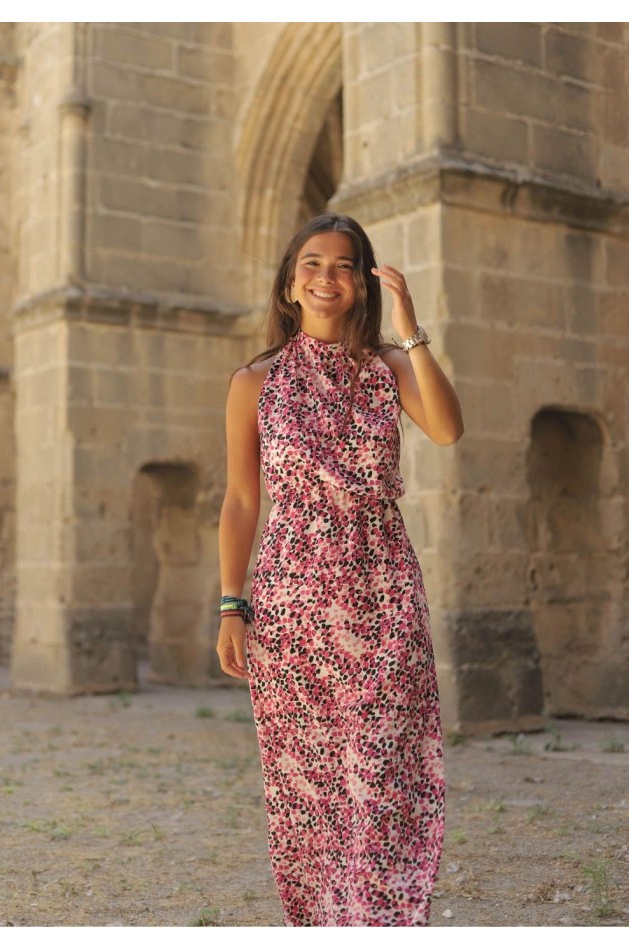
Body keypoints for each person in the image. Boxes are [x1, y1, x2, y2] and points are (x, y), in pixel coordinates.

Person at [216, 212, 464, 927]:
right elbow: (239, 499)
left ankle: (382, 920)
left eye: (345, 266)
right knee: (310, 785)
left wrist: (412, 329)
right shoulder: (253, 381)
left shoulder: (389, 367)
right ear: (291, 283)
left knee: (385, 774)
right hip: (290, 601)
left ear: (361, 284)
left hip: (382, 590)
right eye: (314, 264)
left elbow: (448, 429)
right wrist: (232, 605)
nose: (329, 277)